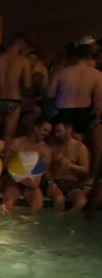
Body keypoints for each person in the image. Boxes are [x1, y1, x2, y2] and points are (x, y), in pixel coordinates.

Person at [48, 43, 102, 179]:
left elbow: (50, 94)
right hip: (82, 113)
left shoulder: (63, 72)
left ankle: (57, 176)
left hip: (62, 113)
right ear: (91, 58)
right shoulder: (97, 75)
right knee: (84, 147)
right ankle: (87, 177)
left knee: (61, 146)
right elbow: (98, 100)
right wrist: (97, 118)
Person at [0, 33, 31, 147]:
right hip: (13, 100)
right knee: (8, 136)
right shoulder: (23, 61)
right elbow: (27, 85)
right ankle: (4, 158)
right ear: (22, 44)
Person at [1, 119, 53, 212]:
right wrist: (16, 176)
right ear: (35, 128)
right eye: (45, 130)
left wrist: (35, 183)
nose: (46, 133)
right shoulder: (17, 143)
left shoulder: (45, 150)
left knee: (37, 208)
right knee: (7, 205)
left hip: (32, 184)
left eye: (48, 131)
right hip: (14, 181)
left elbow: (43, 170)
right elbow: (6, 163)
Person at [46, 120, 90, 213]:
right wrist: (50, 182)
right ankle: (57, 219)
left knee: (81, 202)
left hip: (72, 184)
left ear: (68, 130)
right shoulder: (53, 148)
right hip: (56, 182)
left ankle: (66, 217)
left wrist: (71, 165)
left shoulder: (79, 147)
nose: (57, 134)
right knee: (59, 199)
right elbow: (45, 168)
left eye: (59, 131)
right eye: (55, 132)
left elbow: (85, 170)